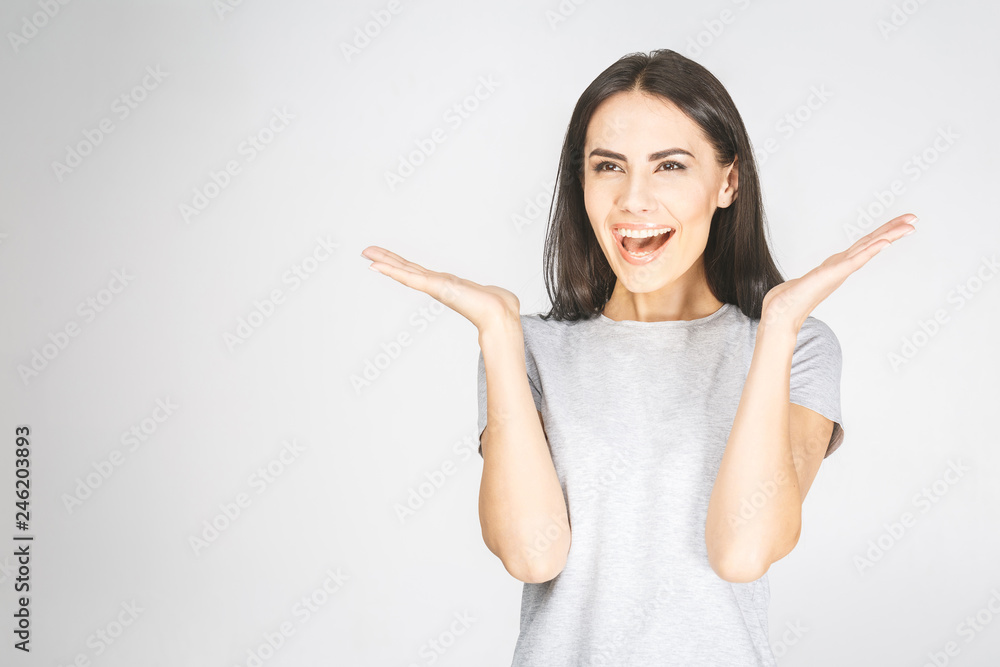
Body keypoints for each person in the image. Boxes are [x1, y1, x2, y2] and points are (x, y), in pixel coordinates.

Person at [362, 49, 916, 666]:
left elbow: (742, 551)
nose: (634, 200)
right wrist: (496, 330)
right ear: (583, 182)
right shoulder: (530, 350)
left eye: (670, 166)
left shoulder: (800, 347)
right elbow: (530, 554)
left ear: (727, 181)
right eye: (609, 167)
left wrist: (778, 327)